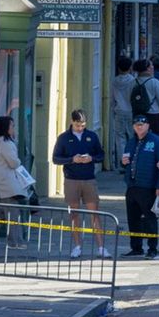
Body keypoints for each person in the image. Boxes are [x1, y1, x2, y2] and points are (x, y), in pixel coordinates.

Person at [51, 110, 108, 258]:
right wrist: (72, 159)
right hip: (71, 179)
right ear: (72, 122)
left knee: (94, 214)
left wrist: (91, 158)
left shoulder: (91, 136)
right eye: (77, 125)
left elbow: (101, 155)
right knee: (74, 214)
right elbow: (56, 159)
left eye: (83, 125)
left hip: (89, 178)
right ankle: (77, 246)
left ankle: (101, 247)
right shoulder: (64, 138)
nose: (80, 128)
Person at [122, 115, 159, 257]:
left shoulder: (156, 142)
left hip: (148, 187)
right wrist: (124, 162)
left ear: (147, 125)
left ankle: (152, 248)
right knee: (133, 218)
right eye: (136, 125)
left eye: (141, 124)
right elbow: (127, 159)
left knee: (150, 218)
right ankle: (136, 247)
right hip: (132, 185)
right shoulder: (131, 142)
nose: (139, 127)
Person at [0, 116, 30, 248]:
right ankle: (14, 241)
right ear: (6, 128)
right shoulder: (5, 143)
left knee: (2, 213)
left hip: (4, 182)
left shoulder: (2, 141)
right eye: (12, 126)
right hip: (7, 183)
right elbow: (13, 162)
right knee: (13, 213)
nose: (13, 128)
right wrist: (18, 161)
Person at [130, 58, 159, 139]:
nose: (153, 67)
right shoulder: (155, 82)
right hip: (154, 114)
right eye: (151, 65)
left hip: (137, 113)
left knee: (139, 136)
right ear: (148, 68)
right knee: (154, 137)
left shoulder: (133, 82)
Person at [110, 55, 136, 166]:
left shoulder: (114, 81)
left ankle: (122, 162)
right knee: (131, 137)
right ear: (130, 68)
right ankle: (131, 161)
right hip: (130, 111)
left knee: (120, 138)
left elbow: (112, 98)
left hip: (118, 111)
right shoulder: (133, 81)